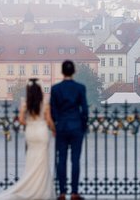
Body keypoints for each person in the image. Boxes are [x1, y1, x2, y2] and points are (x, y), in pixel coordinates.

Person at [50, 60, 88, 200]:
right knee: (75, 160)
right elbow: (84, 109)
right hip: (76, 126)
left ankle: (62, 192)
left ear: (62, 72)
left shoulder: (55, 89)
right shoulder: (80, 88)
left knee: (62, 160)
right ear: (74, 71)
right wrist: (83, 126)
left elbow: (53, 110)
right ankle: (74, 192)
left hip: (62, 127)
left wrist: (56, 124)